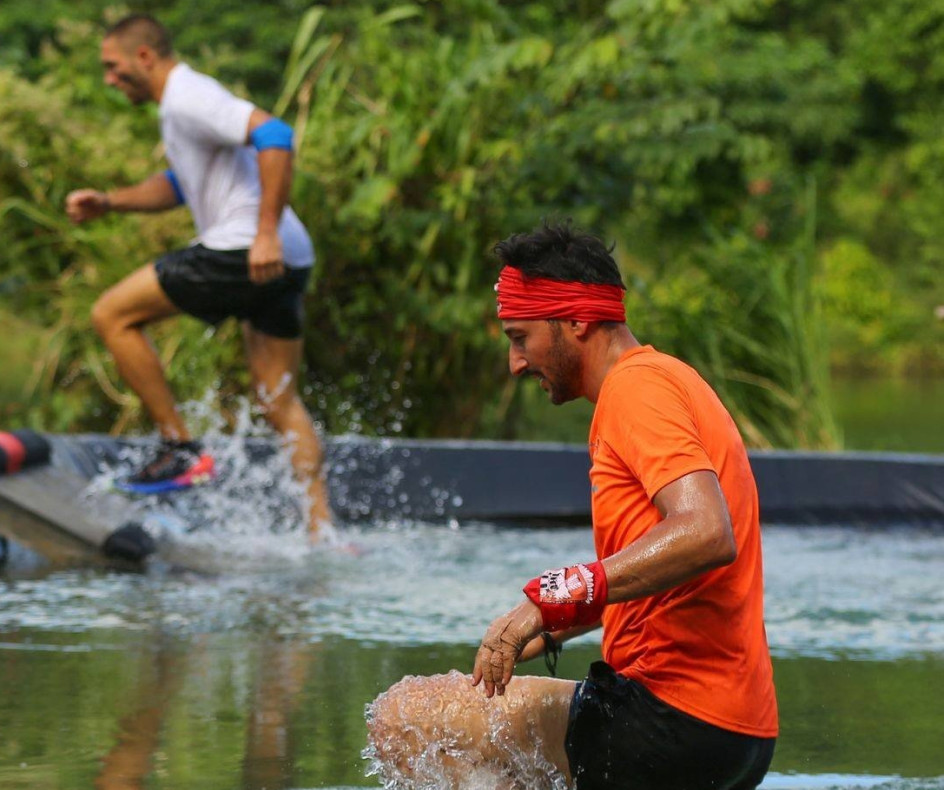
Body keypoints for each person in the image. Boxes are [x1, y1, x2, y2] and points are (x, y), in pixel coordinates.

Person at [365, 222, 778, 789]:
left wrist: (553, 598)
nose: (515, 364)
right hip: (736, 730)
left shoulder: (637, 390)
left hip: (672, 719)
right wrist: (558, 627)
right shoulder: (665, 381)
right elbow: (671, 571)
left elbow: (707, 531)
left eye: (520, 338)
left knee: (405, 716)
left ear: (577, 320)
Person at [65, 14, 333, 540]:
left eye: (113, 68)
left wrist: (264, 234)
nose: (109, 79)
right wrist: (110, 202)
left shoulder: (189, 95)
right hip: (287, 258)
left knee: (112, 314)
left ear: (145, 57)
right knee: (276, 398)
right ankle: (321, 531)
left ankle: (180, 449)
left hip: (246, 249)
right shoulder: (180, 109)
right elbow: (180, 185)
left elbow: (276, 133)